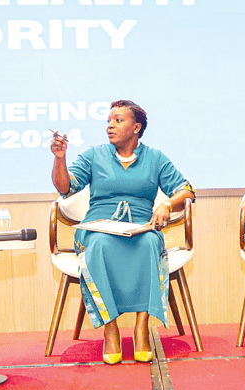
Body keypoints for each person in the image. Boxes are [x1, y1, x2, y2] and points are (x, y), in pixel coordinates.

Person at [50, 100, 196, 364]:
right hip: (99, 225)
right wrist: (60, 159)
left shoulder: (156, 158)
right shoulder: (94, 155)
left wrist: (166, 203)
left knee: (150, 244)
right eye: (109, 121)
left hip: (141, 226)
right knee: (100, 246)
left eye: (118, 120)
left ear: (136, 127)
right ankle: (111, 329)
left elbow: (186, 189)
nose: (110, 126)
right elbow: (65, 188)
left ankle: (142, 327)